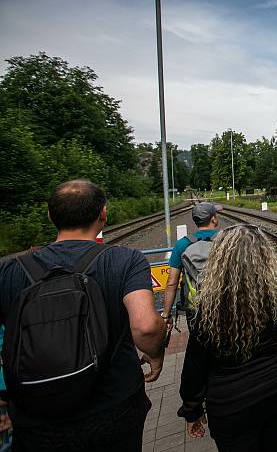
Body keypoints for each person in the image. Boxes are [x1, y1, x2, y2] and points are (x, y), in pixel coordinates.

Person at [0, 180, 166, 452]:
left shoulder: (9, 271)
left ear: (51, 216)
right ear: (103, 213)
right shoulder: (124, 260)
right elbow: (146, 327)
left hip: (36, 415)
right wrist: (156, 354)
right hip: (113, 407)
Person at [177, 224, 277, 451]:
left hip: (230, 401)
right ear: (263, 255)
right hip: (276, 386)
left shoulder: (209, 303)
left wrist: (192, 409)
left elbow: (195, 362)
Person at [162, 201, 223, 329]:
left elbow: (171, 283)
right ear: (213, 219)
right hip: (224, 302)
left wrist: (166, 315)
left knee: (198, 340)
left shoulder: (182, 244)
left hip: (195, 307)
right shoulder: (226, 240)